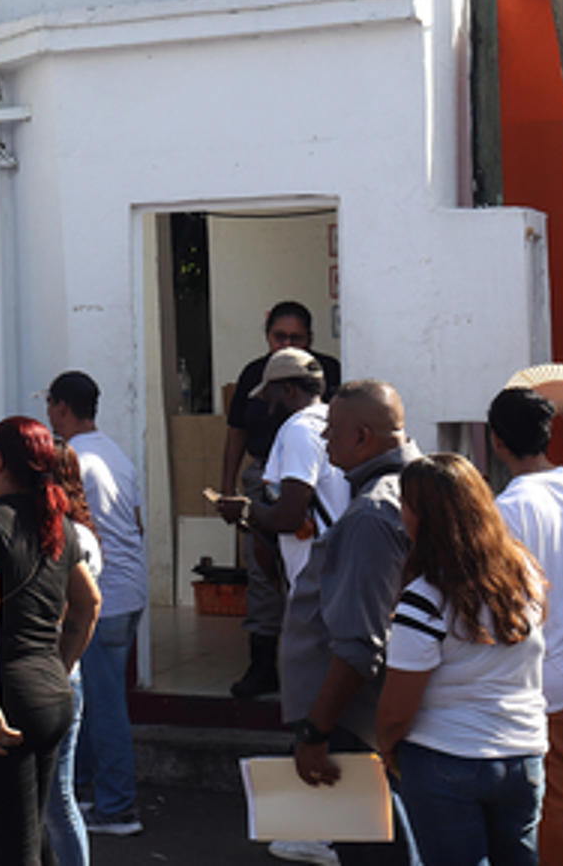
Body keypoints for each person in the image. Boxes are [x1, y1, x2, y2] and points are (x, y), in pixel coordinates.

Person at [0, 416, 101, 866]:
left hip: (4, 699)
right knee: (34, 832)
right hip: (49, 692)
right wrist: (60, 666)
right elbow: (89, 605)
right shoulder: (58, 526)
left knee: (17, 846)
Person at [376, 453, 548, 866]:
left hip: (443, 759)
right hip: (523, 755)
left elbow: (397, 710)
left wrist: (387, 750)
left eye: (406, 504)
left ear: (424, 516)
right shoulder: (522, 573)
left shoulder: (425, 596)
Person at [281, 379, 421, 866]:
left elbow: (361, 643)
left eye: (333, 432)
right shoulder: (414, 487)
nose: (324, 442)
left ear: (362, 436)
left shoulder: (373, 512)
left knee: (372, 850)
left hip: (354, 723)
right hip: (378, 717)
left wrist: (315, 732)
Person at [486, 388, 563, 866]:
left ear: (497, 441)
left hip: (543, 679)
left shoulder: (508, 508)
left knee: (550, 798)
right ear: (547, 434)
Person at [218, 302, 343, 700]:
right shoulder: (255, 373)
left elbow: (290, 513)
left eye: (296, 338)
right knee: (263, 570)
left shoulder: (303, 425)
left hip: (300, 490)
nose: (286, 343)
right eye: (279, 337)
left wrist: (253, 513)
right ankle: (264, 662)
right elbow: (236, 432)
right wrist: (228, 488)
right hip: (265, 478)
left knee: (297, 575)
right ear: (266, 335)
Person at [46, 370, 147, 838]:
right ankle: (88, 789)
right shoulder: (115, 453)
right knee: (90, 699)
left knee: (104, 706)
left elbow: (65, 531)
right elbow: (138, 522)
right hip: (127, 592)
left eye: (51, 406)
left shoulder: (74, 460)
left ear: (62, 408)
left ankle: (117, 807)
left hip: (102, 598)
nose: (49, 415)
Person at [217, 348, 350, 598]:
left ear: (288, 390)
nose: (267, 406)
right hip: (338, 573)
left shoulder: (299, 430)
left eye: (269, 395)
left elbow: (289, 518)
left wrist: (245, 509)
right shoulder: (333, 421)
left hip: (315, 582)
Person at [45, 446, 104, 866]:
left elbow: (82, 609)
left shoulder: (68, 536)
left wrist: (62, 667)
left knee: (56, 799)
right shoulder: (76, 530)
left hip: (57, 676)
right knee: (52, 798)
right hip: (60, 675)